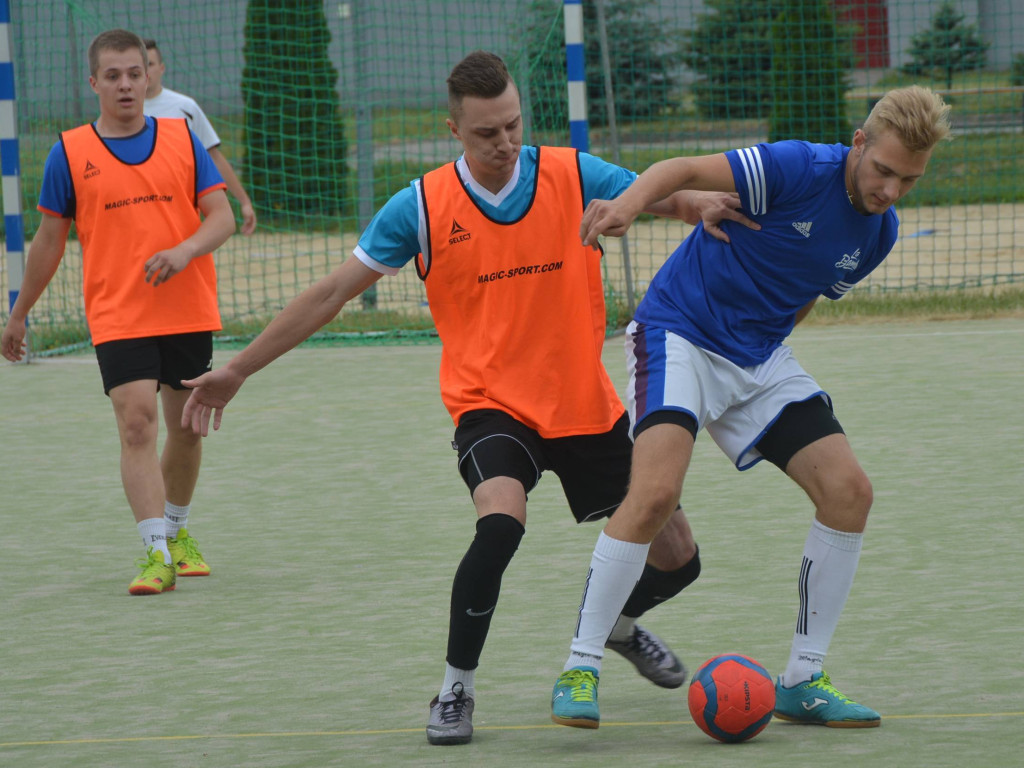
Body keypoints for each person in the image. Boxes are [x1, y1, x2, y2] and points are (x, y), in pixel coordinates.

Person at [179, 51, 757, 745]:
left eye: (512, 125)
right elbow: (331, 293)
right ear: (454, 127)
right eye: (487, 132)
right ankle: (456, 689)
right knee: (500, 524)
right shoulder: (420, 206)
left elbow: (663, 195)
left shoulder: (573, 174)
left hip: (583, 403)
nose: (505, 142)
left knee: (679, 557)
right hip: (491, 404)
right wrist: (238, 369)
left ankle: (619, 628)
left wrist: (698, 203)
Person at [550, 85, 952, 730]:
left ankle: (802, 680)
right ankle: (580, 665)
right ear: (859, 143)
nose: (892, 190)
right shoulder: (795, 167)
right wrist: (627, 205)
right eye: (884, 170)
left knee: (850, 491)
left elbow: (808, 291)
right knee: (654, 497)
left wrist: (761, 355)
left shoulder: (880, 233)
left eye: (910, 179)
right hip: (679, 332)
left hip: (758, 357)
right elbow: (679, 173)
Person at [1, 29, 236, 595]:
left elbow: (221, 217)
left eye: (135, 73)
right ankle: (155, 553)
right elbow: (49, 241)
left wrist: (184, 250)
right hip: (119, 314)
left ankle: (178, 533)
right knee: (136, 425)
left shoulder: (182, 139)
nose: (127, 83)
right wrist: (19, 313)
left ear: (149, 76)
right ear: (94, 83)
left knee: (186, 429)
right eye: (113, 75)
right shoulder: (70, 151)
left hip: (185, 309)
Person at [143, 38, 257, 235]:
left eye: (150, 64)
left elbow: (213, 157)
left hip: (180, 210)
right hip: (139, 209)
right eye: (139, 66)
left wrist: (244, 202)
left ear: (162, 68)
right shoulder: (121, 113)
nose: (145, 71)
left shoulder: (185, 107)